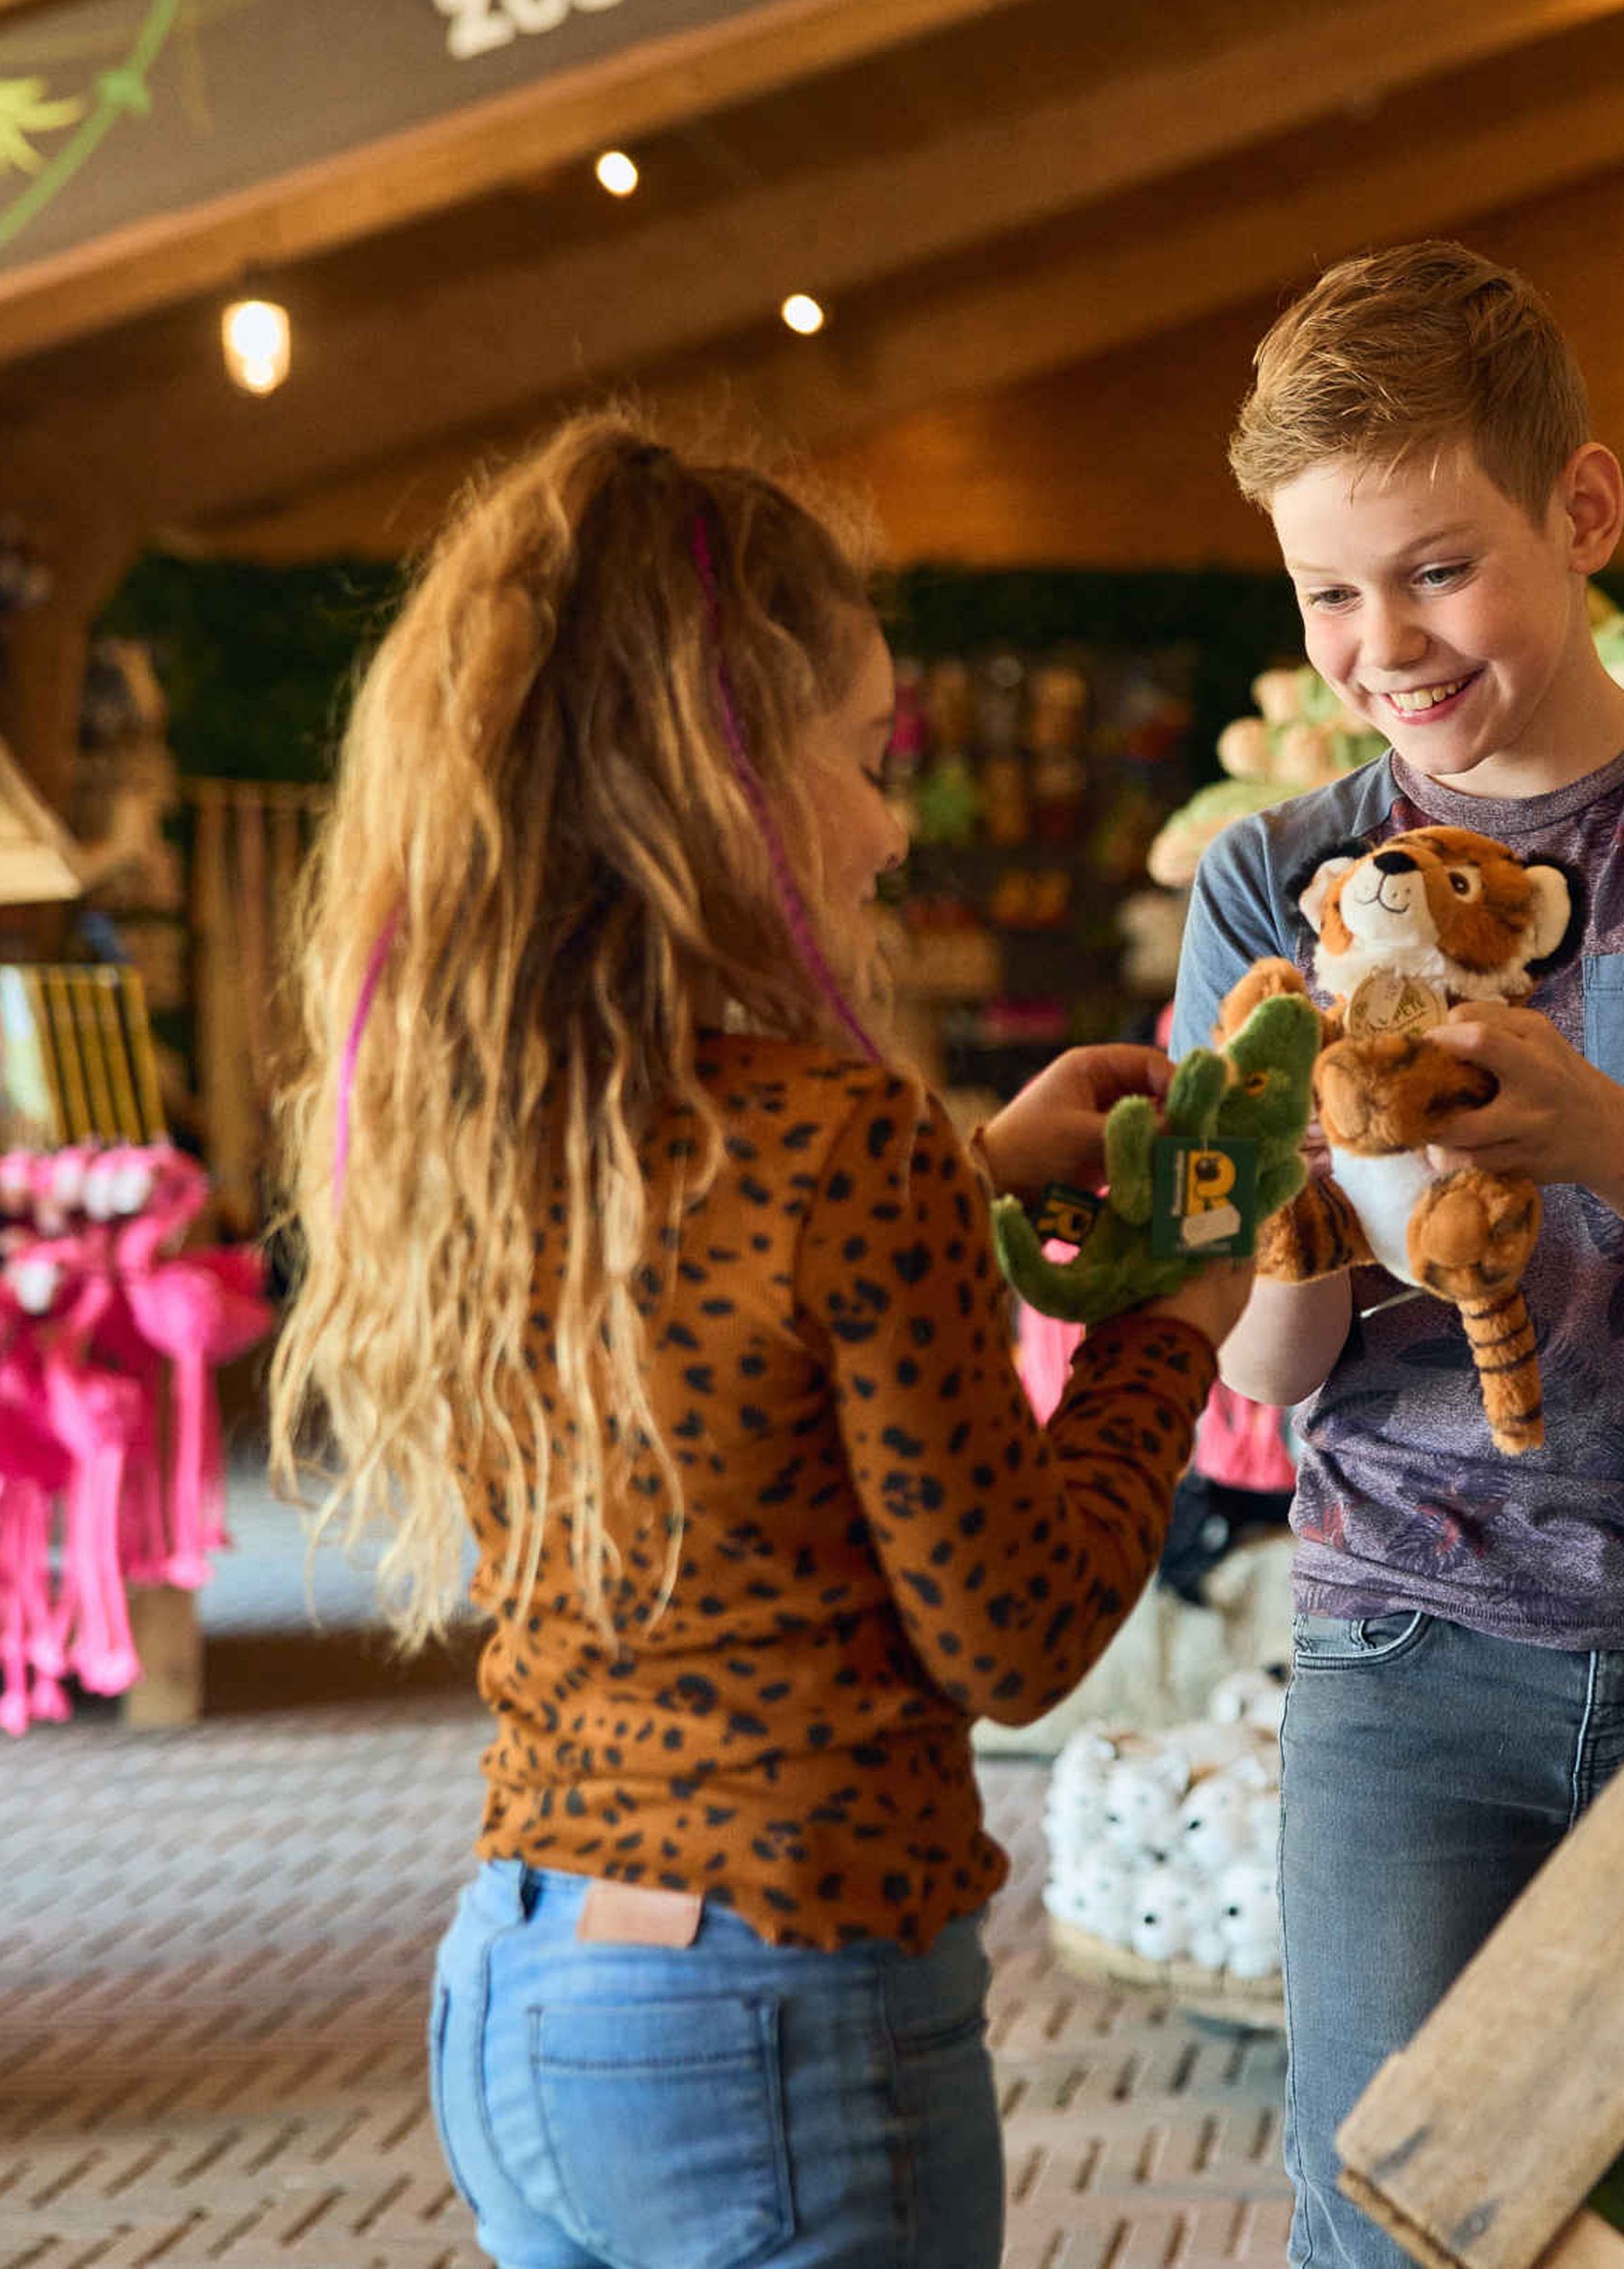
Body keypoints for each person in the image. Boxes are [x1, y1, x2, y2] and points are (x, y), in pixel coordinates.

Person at [268, 413, 1255, 2269]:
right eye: (862, 759)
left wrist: (970, 1178)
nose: (891, 824)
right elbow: (1018, 1632)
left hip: (522, 1991)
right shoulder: (834, 1144)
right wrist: (1166, 1327)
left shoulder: (474, 1131)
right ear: (712, 781)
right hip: (782, 2022)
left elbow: (725, 1321)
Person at [1172, 242, 1624, 2268]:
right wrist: (1308, 1169)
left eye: (1434, 570)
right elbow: (1256, 1373)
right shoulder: (1263, 881)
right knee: (1394, 2225)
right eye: (1328, 591)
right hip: (1400, 1654)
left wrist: (1593, 1130)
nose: (1380, 643)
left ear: (1582, 512)